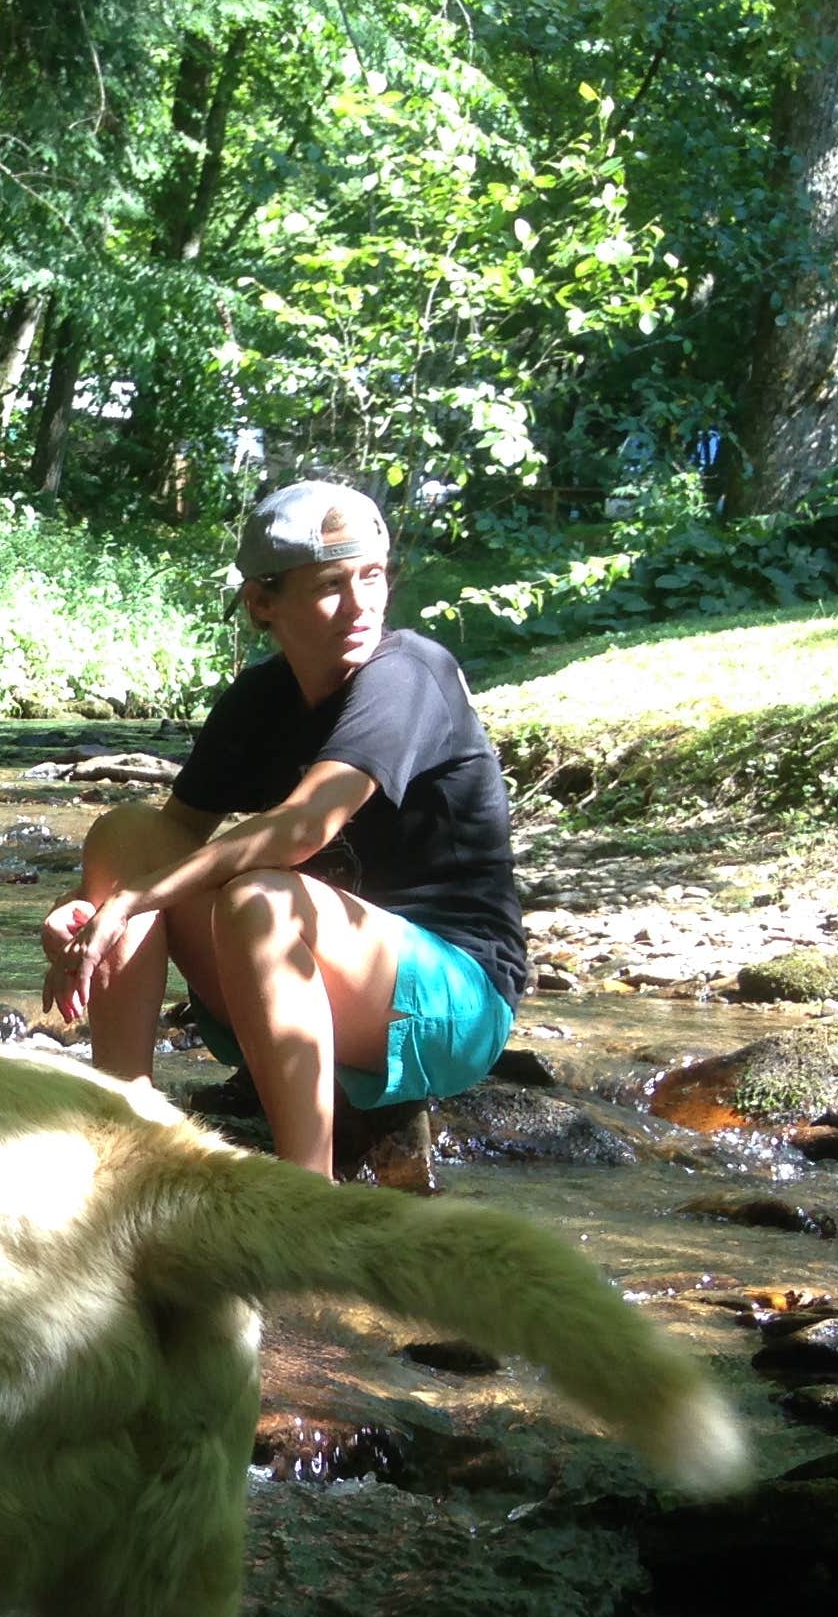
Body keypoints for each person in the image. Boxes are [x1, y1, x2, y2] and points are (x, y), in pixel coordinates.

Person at [40, 479, 526, 1175]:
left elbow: (305, 824)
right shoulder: (259, 699)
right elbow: (163, 844)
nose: (361, 605)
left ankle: (307, 1189)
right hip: (295, 981)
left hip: (453, 1000)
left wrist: (131, 900)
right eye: (331, 584)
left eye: (373, 577)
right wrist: (83, 910)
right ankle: (124, 1121)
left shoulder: (411, 672)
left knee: (260, 897)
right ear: (262, 603)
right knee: (125, 831)